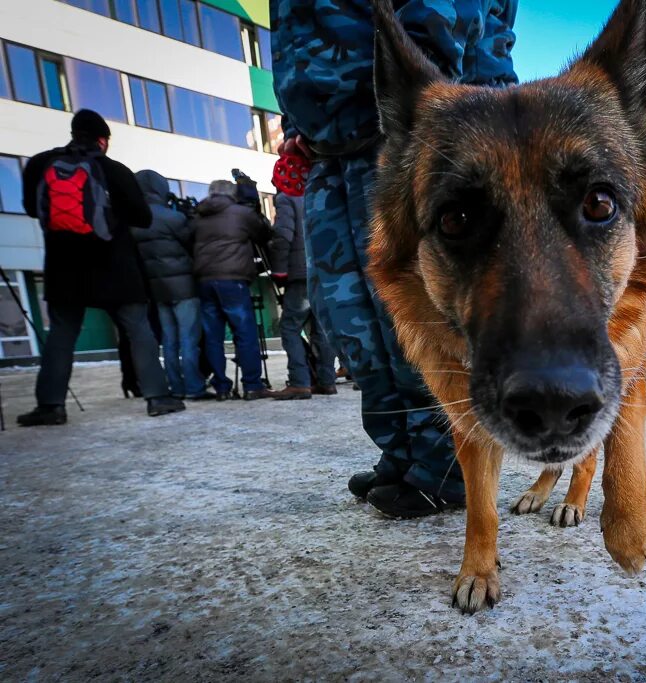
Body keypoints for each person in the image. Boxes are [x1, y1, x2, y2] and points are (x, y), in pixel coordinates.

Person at [272, 0, 518, 518]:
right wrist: (298, 121)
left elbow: (442, 16)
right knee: (350, 320)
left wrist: (415, 95)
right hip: (330, 146)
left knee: (413, 317)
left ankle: (446, 466)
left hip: (403, 129)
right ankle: (402, 451)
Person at [17, 109, 185, 426]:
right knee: (138, 330)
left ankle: (51, 405)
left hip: (64, 267)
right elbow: (142, 218)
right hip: (115, 266)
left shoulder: (41, 164)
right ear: (102, 140)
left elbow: (30, 208)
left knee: (62, 335)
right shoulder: (114, 170)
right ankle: (158, 397)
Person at [130, 170, 212, 400]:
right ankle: (194, 387)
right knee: (189, 339)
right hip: (184, 286)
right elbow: (192, 244)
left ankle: (175, 386)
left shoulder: (136, 221)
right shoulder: (172, 218)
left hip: (157, 288)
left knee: (169, 340)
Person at [190, 180, 273, 401]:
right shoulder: (240, 213)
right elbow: (264, 233)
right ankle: (252, 385)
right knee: (245, 333)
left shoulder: (198, 215)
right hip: (233, 279)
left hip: (205, 280)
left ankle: (221, 387)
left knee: (213, 337)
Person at [267, 190, 337, 399]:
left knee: (289, 327)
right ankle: (327, 381)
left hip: (299, 274)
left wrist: (279, 270)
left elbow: (283, 235)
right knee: (320, 328)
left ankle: (299, 382)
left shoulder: (286, 199)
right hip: (323, 270)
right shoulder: (318, 191)